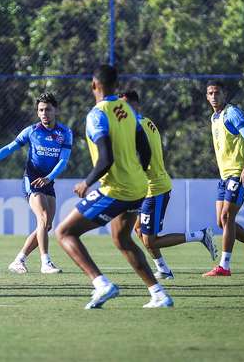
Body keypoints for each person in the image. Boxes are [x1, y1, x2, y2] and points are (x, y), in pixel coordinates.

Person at [56, 65, 173, 309]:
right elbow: (145, 148)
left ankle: (101, 284)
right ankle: (159, 294)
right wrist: (135, 171)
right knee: (122, 239)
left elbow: (105, 158)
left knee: (64, 233)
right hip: (140, 187)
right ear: (116, 85)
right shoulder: (128, 111)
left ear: (93, 85)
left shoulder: (97, 114)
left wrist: (86, 182)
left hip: (116, 190)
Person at [119, 90, 217, 279]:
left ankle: (200, 235)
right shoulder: (146, 122)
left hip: (154, 188)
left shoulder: (135, 127)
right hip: (147, 187)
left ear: (135, 105)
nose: (121, 110)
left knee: (151, 241)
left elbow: (137, 158)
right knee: (139, 230)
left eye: (125, 105)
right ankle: (163, 269)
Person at [0, 92, 72, 275]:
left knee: (46, 225)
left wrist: (49, 178)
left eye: (48, 109)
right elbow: (9, 148)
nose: (44, 113)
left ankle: (19, 260)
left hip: (48, 180)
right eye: (41, 110)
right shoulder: (31, 131)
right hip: (32, 179)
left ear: (55, 110)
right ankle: (45, 262)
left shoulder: (65, 133)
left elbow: (63, 161)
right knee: (42, 219)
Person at [203, 80, 244, 276]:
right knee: (221, 221)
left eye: (217, 92)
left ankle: (224, 266)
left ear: (225, 94)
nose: (214, 96)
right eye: (210, 93)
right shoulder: (214, 118)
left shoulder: (231, 113)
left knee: (227, 217)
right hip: (225, 176)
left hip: (238, 172)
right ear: (207, 97)